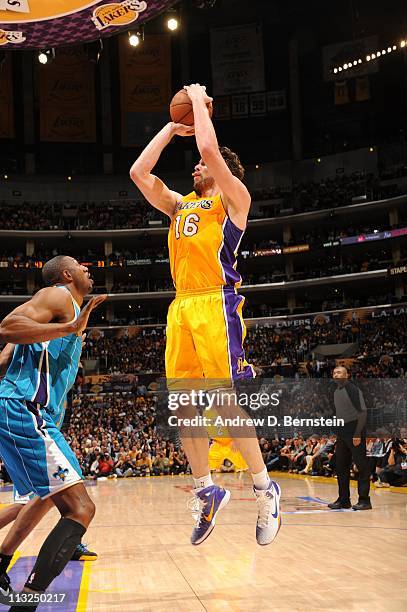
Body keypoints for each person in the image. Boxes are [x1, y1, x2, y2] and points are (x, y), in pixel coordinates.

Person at [130, 82, 281, 546]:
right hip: (181, 307)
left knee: (223, 399)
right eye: (194, 161)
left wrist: (197, 101)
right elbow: (139, 171)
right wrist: (170, 127)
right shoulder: (181, 205)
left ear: (225, 172)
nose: (196, 163)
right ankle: (207, 489)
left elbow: (211, 148)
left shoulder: (234, 200)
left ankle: (263, 487)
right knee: (183, 406)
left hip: (216, 301)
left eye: (202, 163)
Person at [0, 255, 106, 607]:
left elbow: (5, 357)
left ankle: (1, 564)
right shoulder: (58, 296)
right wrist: (68, 330)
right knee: (80, 509)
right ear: (66, 274)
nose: (87, 269)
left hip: (29, 411)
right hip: (25, 410)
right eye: (80, 265)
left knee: (44, 497)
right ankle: (27, 601)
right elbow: (8, 326)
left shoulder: (61, 312)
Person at [328, 366, 372, 511]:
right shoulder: (336, 392)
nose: (336, 374)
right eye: (334, 372)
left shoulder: (352, 389)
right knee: (341, 466)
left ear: (347, 375)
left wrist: (358, 433)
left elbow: (363, 412)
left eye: (339, 372)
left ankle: (365, 500)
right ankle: (344, 500)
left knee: (361, 465)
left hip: (355, 429)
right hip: (343, 430)